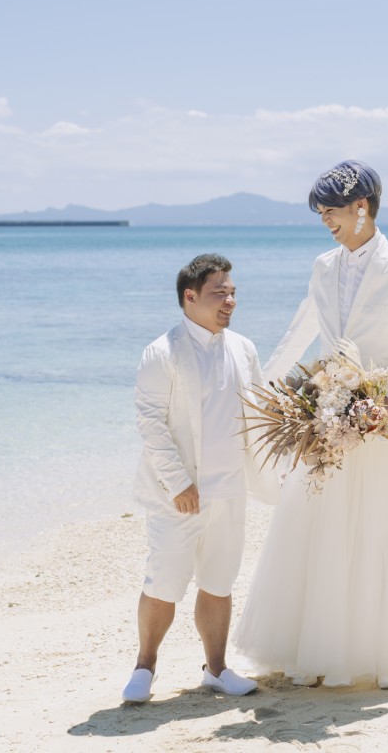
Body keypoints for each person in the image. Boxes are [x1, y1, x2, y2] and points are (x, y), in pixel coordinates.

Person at [234, 160, 388, 688]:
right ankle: (317, 649)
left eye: (330, 210)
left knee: (380, 533)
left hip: (382, 430)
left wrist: (386, 406)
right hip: (324, 421)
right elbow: (300, 331)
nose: (324, 220)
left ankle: (381, 654)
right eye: (320, 212)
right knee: (319, 532)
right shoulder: (322, 267)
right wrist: (259, 389)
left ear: (362, 208)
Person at [122, 253, 280, 704]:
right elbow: (150, 423)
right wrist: (178, 484)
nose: (230, 300)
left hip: (230, 489)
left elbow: (259, 410)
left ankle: (216, 669)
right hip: (178, 495)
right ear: (190, 297)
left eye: (233, 292)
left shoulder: (243, 348)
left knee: (219, 580)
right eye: (219, 293)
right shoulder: (162, 352)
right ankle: (144, 667)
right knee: (164, 581)